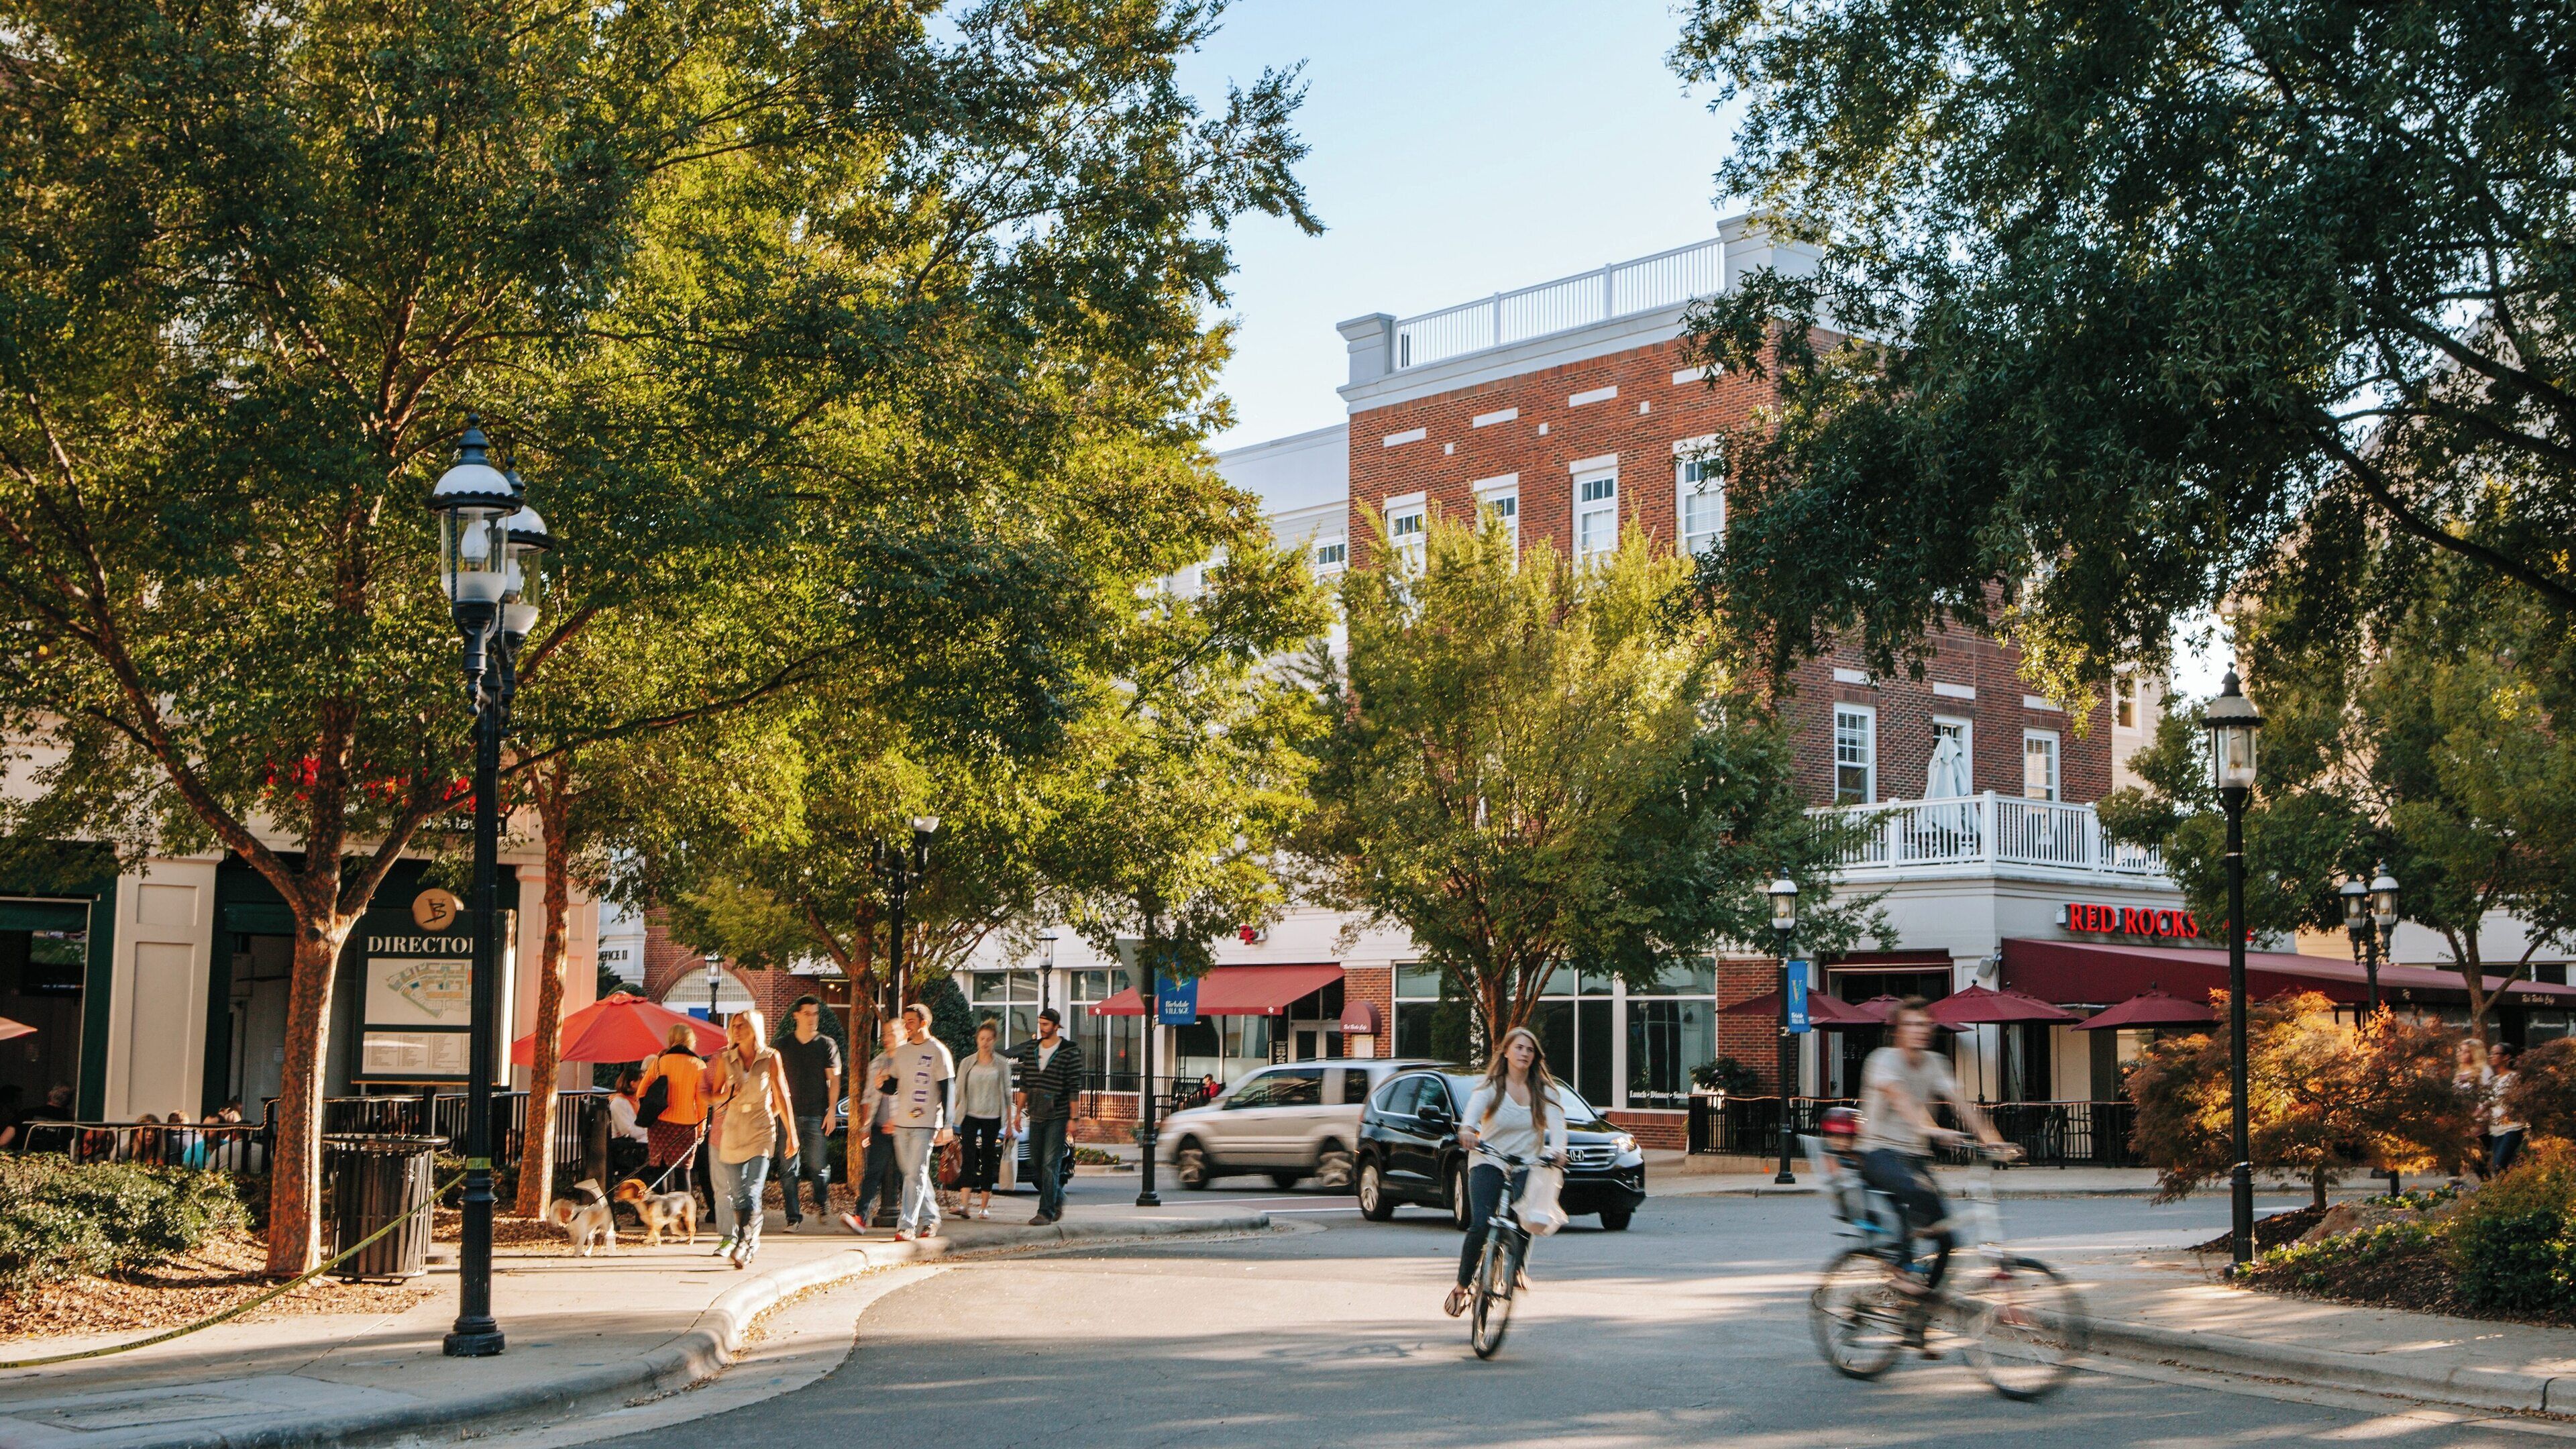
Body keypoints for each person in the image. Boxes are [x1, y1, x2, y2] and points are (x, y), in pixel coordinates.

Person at [1856, 999, 2010, 1321]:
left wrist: (1993, 1140)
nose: (1918, 1031)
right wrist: (1932, 1129)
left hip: (1914, 1157)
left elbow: (1961, 1104)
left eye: (1923, 1025)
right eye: (1910, 1025)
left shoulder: (1936, 1063)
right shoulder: (1882, 1061)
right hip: (1878, 1153)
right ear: (1897, 1031)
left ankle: (1918, 1317)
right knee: (1916, 1191)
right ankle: (1900, 1272)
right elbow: (1901, 1099)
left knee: (1947, 1240)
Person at [1445, 1026, 1567, 1319]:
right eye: (1519, 1048)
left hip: (1527, 1161)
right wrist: (1468, 1131)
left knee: (1530, 1216)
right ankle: (1463, 1286)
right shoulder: (1492, 1087)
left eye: (1530, 1049)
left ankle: (1517, 1268)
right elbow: (1471, 1117)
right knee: (1481, 1224)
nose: (1524, 1053)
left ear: (1535, 1056)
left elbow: (1558, 1126)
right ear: (1507, 1052)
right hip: (1490, 1159)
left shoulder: (1544, 1090)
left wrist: (1559, 1150)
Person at [706, 1007, 797, 1269]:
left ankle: (745, 1243)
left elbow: (782, 1095)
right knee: (737, 1193)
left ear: (754, 1029)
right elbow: (715, 1096)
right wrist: (726, 1094)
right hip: (733, 1129)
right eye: (734, 1025)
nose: (736, 1029)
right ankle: (748, 1241)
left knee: (753, 1190)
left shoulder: (771, 1057)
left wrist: (791, 1133)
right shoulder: (726, 1059)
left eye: (742, 1025)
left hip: (760, 1129)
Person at [883, 1002, 956, 1242]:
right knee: (914, 1174)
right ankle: (932, 1218)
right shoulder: (902, 1052)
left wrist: (947, 1125)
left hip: (925, 1123)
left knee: (914, 1174)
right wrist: (881, 1083)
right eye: (905, 1022)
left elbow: (948, 1090)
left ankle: (906, 1226)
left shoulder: (938, 1051)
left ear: (924, 1023)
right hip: (902, 1123)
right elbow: (892, 1086)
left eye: (911, 1022)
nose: (907, 1026)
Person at [773, 996, 843, 1232]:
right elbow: (772, 1079)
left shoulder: (826, 1044)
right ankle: (793, 1218)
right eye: (808, 1013)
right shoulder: (782, 1045)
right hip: (787, 1116)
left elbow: (834, 1079)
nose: (813, 1018)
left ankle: (822, 1201)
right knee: (787, 1169)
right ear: (797, 1015)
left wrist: (832, 1111)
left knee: (818, 1167)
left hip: (815, 1114)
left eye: (816, 1014)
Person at [1011, 1007, 1085, 1226]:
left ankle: (1045, 1212)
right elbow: (1025, 1084)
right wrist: (1018, 1113)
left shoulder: (1068, 1052)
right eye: (1040, 1024)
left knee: (1050, 1163)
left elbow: (1074, 1088)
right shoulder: (1033, 1050)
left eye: (1045, 1025)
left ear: (1055, 1026)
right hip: (1035, 1113)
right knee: (1036, 1163)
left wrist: (1074, 1119)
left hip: (1058, 1115)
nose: (1042, 1028)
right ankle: (1058, 1197)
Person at [841, 1019, 906, 1234]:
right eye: (885, 1034)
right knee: (873, 1173)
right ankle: (860, 1217)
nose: (886, 1038)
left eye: (891, 1034)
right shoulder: (877, 1063)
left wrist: (898, 1120)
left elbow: (913, 1097)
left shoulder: (909, 1061)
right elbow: (868, 1098)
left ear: (904, 1034)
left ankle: (918, 1219)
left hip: (905, 1129)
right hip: (880, 1129)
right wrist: (865, 1128)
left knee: (910, 1174)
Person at [639, 1024, 709, 1197]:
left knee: (659, 1171)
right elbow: (702, 1102)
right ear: (691, 1041)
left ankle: (658, 1217)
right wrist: (701, 1128)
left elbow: (641, 1091)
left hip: (659, 1125)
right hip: (686, 1126)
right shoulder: (699, 1066)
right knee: (683, 1171)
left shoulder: (659, 1062)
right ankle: (683, 1218)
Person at [955, 1018, 1013, 1220]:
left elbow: (1007, 1093)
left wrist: (1009, 1123)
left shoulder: (1001, 1064)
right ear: (976, 1040)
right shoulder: (967, 1063)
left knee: (988, 1158)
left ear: (994, 1040)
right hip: (970, 1114)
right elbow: (958, 1092)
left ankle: (984, 1206)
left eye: (989, 1039)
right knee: (968, 1158)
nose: (985, 1042)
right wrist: (952, 1117)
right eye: (982, 1039)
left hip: (992, 1116)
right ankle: (964, 1204)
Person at [2453, 1039, 2493, 1178]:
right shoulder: (2459, 1072)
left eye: (2466, 1051)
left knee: (2478, 1158)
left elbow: (2488, 1096)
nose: (2461, 1054)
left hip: (2479, 1120)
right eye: (2460, 1050)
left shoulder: (2484, 1070)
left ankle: (2490, 1190)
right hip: (2463, 1120)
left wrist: (2476, 1116)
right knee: (2470, 1158)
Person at [606, 1065, 652, 1182]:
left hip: (637, 1142)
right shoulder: (618, 1102)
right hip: (625, 1146)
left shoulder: (635, 1101)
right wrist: (649, 1131)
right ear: (632, 1083)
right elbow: (627, 1130)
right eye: (642, 1081)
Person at [2487, 1045, 2527, 1177]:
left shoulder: (2514, 1077)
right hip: (2495, 1128)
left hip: (2512, 1127)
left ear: (2506, 1057)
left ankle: (2503, 1194)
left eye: (2495, 1054)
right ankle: (2508, 1193)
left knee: (2499, 1165)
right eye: (2491, 1054)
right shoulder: (2493, 1080)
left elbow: (2519, 1100)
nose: (2491, 1056)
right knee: (2498, 1167)